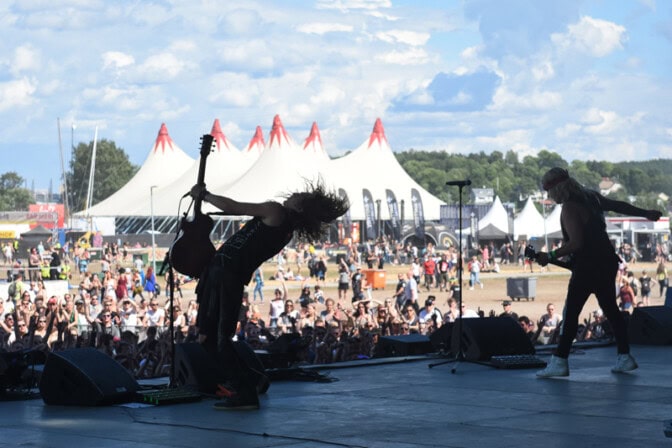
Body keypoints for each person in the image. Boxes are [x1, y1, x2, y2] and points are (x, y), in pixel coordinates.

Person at [189, 179, 348, 410]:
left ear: (300, 207)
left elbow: (234, 207)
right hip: (227, 277)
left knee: (215, 340)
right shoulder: (286, 228)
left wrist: (204, 195)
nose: (294, 192)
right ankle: (253, 380)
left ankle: (245, 393)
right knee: (214, 338)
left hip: (224, 277)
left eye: (299, 195)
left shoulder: (276, 212)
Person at [534, 167, 662, 378]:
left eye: (549, 192)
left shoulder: (570, 207)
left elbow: (576, 243)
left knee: (571, 313)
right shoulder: (591, 197)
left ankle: (560, 361)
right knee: (611, 310)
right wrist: (645, 213)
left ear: (557, 189)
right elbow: (618, 206)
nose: (549, 197)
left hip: (587, 266)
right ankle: (624, 356)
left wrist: (551, 255)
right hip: (607, 261)